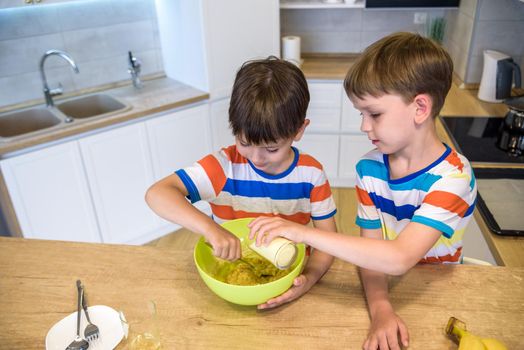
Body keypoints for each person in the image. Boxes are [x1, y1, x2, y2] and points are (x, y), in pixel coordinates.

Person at [248, 32, 477, 349]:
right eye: (361, 114)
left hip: (439, 293)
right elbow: (372, 252)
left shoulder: (453, 178)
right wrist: (381, 307)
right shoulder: (370, 170)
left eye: (375, 114)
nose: (364, 126)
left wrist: (303, 233)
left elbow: (398, 258)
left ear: (420, 107)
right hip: (386, 284)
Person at [145, 56, 338, 310]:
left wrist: (310, 278)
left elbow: (328, 240)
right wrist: (212, 230)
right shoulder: (223, 168)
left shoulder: (311, 175)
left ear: (299, 130)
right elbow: (157, 194)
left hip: (290, 280)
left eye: (271, 148)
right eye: (245, 143)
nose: (257, 158)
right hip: (230, 283)